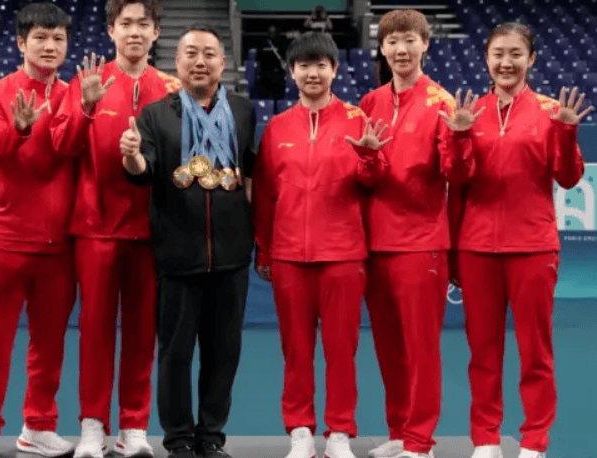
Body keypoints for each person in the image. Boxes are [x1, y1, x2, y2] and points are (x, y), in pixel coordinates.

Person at [448, 22, 591, 458]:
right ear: (486, 59)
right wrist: (459, 136)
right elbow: (458, 179)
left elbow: (569, 177)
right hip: (477, 250)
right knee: (483, 354)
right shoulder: (469, 113)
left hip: (533, 247)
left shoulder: (550, 112)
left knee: (536, 352)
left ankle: (534, 441)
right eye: (498, 54)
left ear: (531, 59)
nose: (506, 62)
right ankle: (486, 439)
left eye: (515, 54)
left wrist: (566, 133)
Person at [251, 31, 391, 458]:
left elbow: (375, 183)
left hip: (343, 255)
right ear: (292, 72)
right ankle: (300, 431)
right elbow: (266, 196)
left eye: (321, 65)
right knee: (296, 350)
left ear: (334, 69)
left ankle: (339, 433)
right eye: (304, 65)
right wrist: (265, 249)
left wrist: (370, 157)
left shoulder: (356, 120)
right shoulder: (276, 128)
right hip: (289, 257)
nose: (313, 73)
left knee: (341, 350)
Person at [49, 1, 180, 457]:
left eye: (144, 24)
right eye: (126, 24)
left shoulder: (173, 90)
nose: (135, 32)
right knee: (95, 330)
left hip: (152, 232)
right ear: (110, 30)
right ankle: (91, 425)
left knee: (143, 332)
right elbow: (62, 146)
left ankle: (134, 426)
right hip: (96, 228)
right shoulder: (85, 82)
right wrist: (86, 106)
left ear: (157, 32)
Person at [120, 25, 256, 458]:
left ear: (223, 63)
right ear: (175, 63)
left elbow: (251, 173)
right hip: (177, 255)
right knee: (175, 354)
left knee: (224, 354)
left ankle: (211, 436)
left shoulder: (243, 111)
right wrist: (132, 156)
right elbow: (144, 172)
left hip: (232, 257)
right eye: (191, 53)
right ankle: (178, 439)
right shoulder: (156, 115)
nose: (200, 61)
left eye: (209, 54)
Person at [359, 10, 474, 458]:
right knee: (388, 345)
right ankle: (399, 430)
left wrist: (460, 138)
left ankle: (421, 441)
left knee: (421, 347)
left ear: (425, 44)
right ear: (382, 48)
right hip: (374, 244)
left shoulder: (443, 103)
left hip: (422, 243)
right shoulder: (370, 102)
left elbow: (456, 175)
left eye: (409, 40)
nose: (401, 49)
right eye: (392, 41)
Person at [0, 3, 76, 458]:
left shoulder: (77, 95)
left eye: (58, 38)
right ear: (20, 43)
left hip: (60, 247)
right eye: (40, 38)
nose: (50, 46)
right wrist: (20, 129)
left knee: (49, 345)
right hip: (5, 241)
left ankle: (38, 426)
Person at [255, 25, 289, 101]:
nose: (272, 34)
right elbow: (259, 60)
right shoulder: (263, 43)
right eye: (270, 32)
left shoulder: (281, 43)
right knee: (264, 97)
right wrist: (258, 73)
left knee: (278, 97)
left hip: (278, 74)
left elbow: (285, 58)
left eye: (274, 32)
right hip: (265, 74)